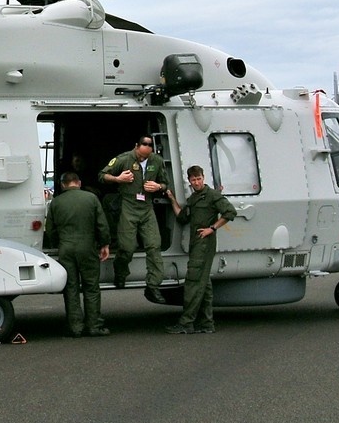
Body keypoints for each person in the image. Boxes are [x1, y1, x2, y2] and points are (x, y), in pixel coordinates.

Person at [100, 136, 173, 301]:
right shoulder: (124, 159)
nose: (143, 159)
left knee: (154, 246)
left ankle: (153, 285)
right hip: (128, 206)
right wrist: (118, 179)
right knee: (127, 247)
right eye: (140, 156)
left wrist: (158, 187)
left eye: (146, 157)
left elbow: (165, 183)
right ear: (136, 147)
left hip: (147, 207)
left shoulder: (157, 161)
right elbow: (102, 175)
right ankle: (120, 272)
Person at [166, 165, 238, 335]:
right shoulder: (194, 198)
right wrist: (171, 198)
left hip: (204, 244)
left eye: (199, 179)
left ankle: (186, 322)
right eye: (193, 180)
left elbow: (230, 212)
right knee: (204, 284)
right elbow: (182, 217)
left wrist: (212, 228)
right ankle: (206, 323)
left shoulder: (212, 195)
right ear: (189, 181)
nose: (197, 182)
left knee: (193, 282)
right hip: (196, 244)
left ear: (203, 178)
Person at [43, 172, 113, 337]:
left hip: (66, 249)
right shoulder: (91, 199)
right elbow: (101, 225)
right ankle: (94, 326)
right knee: (91, 288)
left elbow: (50, 229)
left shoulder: (55, 203)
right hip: (87, 248)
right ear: (79, 183)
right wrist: (104, 244)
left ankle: (75, 327)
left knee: (71, 288)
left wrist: (57, 244)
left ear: (62, 185)